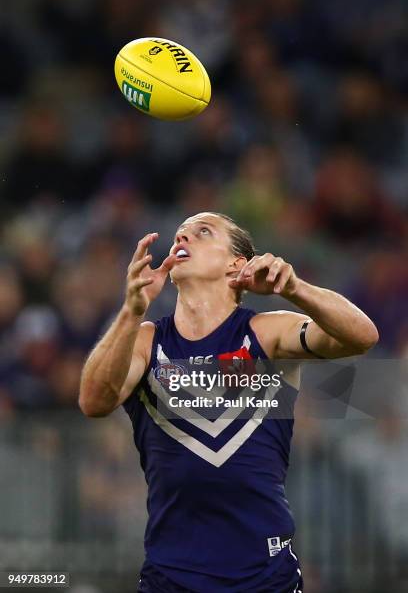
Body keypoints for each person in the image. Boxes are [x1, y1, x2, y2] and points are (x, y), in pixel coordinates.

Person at [79, 212, 378, 592]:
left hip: (266, 577)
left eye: (202, 232)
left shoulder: (266, 333)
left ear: (237, 263)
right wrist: (130, 310)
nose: (183, 237)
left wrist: (294, 288)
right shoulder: (146, 339)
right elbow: (93, 402)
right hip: (170, 577)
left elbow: (362, 337)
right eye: (180, 234)